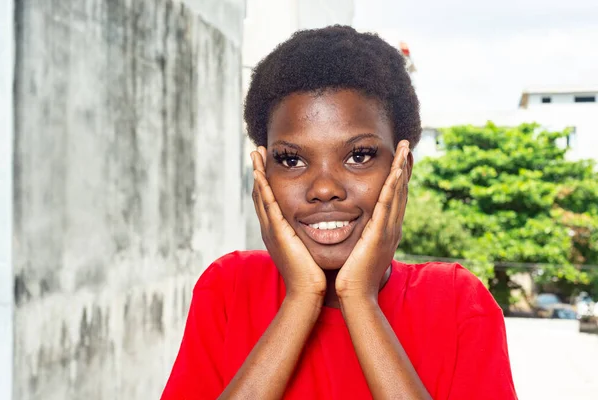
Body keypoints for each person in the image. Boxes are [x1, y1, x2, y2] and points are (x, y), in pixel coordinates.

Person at [161, 26, 518, 400]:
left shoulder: (459, 303)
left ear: (403, 168)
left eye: (359, 156)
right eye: (292, 159)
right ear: (263, 173)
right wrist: (301, 298)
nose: (324, 189)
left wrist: (359, 298)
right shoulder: (229, 288)